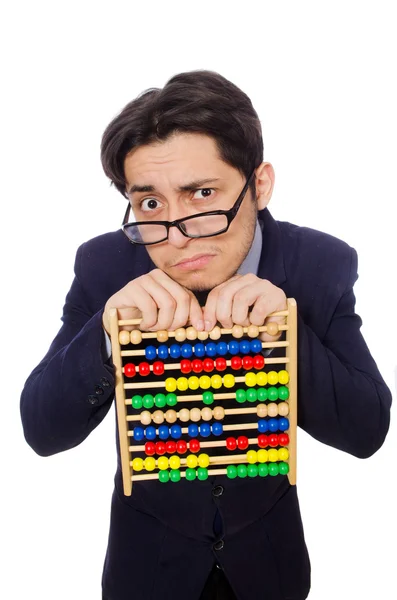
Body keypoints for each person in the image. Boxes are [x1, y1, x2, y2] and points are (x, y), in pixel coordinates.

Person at [20, 70, 392, 600]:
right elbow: (41, 430)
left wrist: (289, 331)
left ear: (259, 185)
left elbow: (367, 430)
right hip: (146, 571)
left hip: (270, 570)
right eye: (150, 204)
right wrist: (105, 334)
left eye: (202, 194)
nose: (178, 232)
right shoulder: (105, 266)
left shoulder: (320, 265)